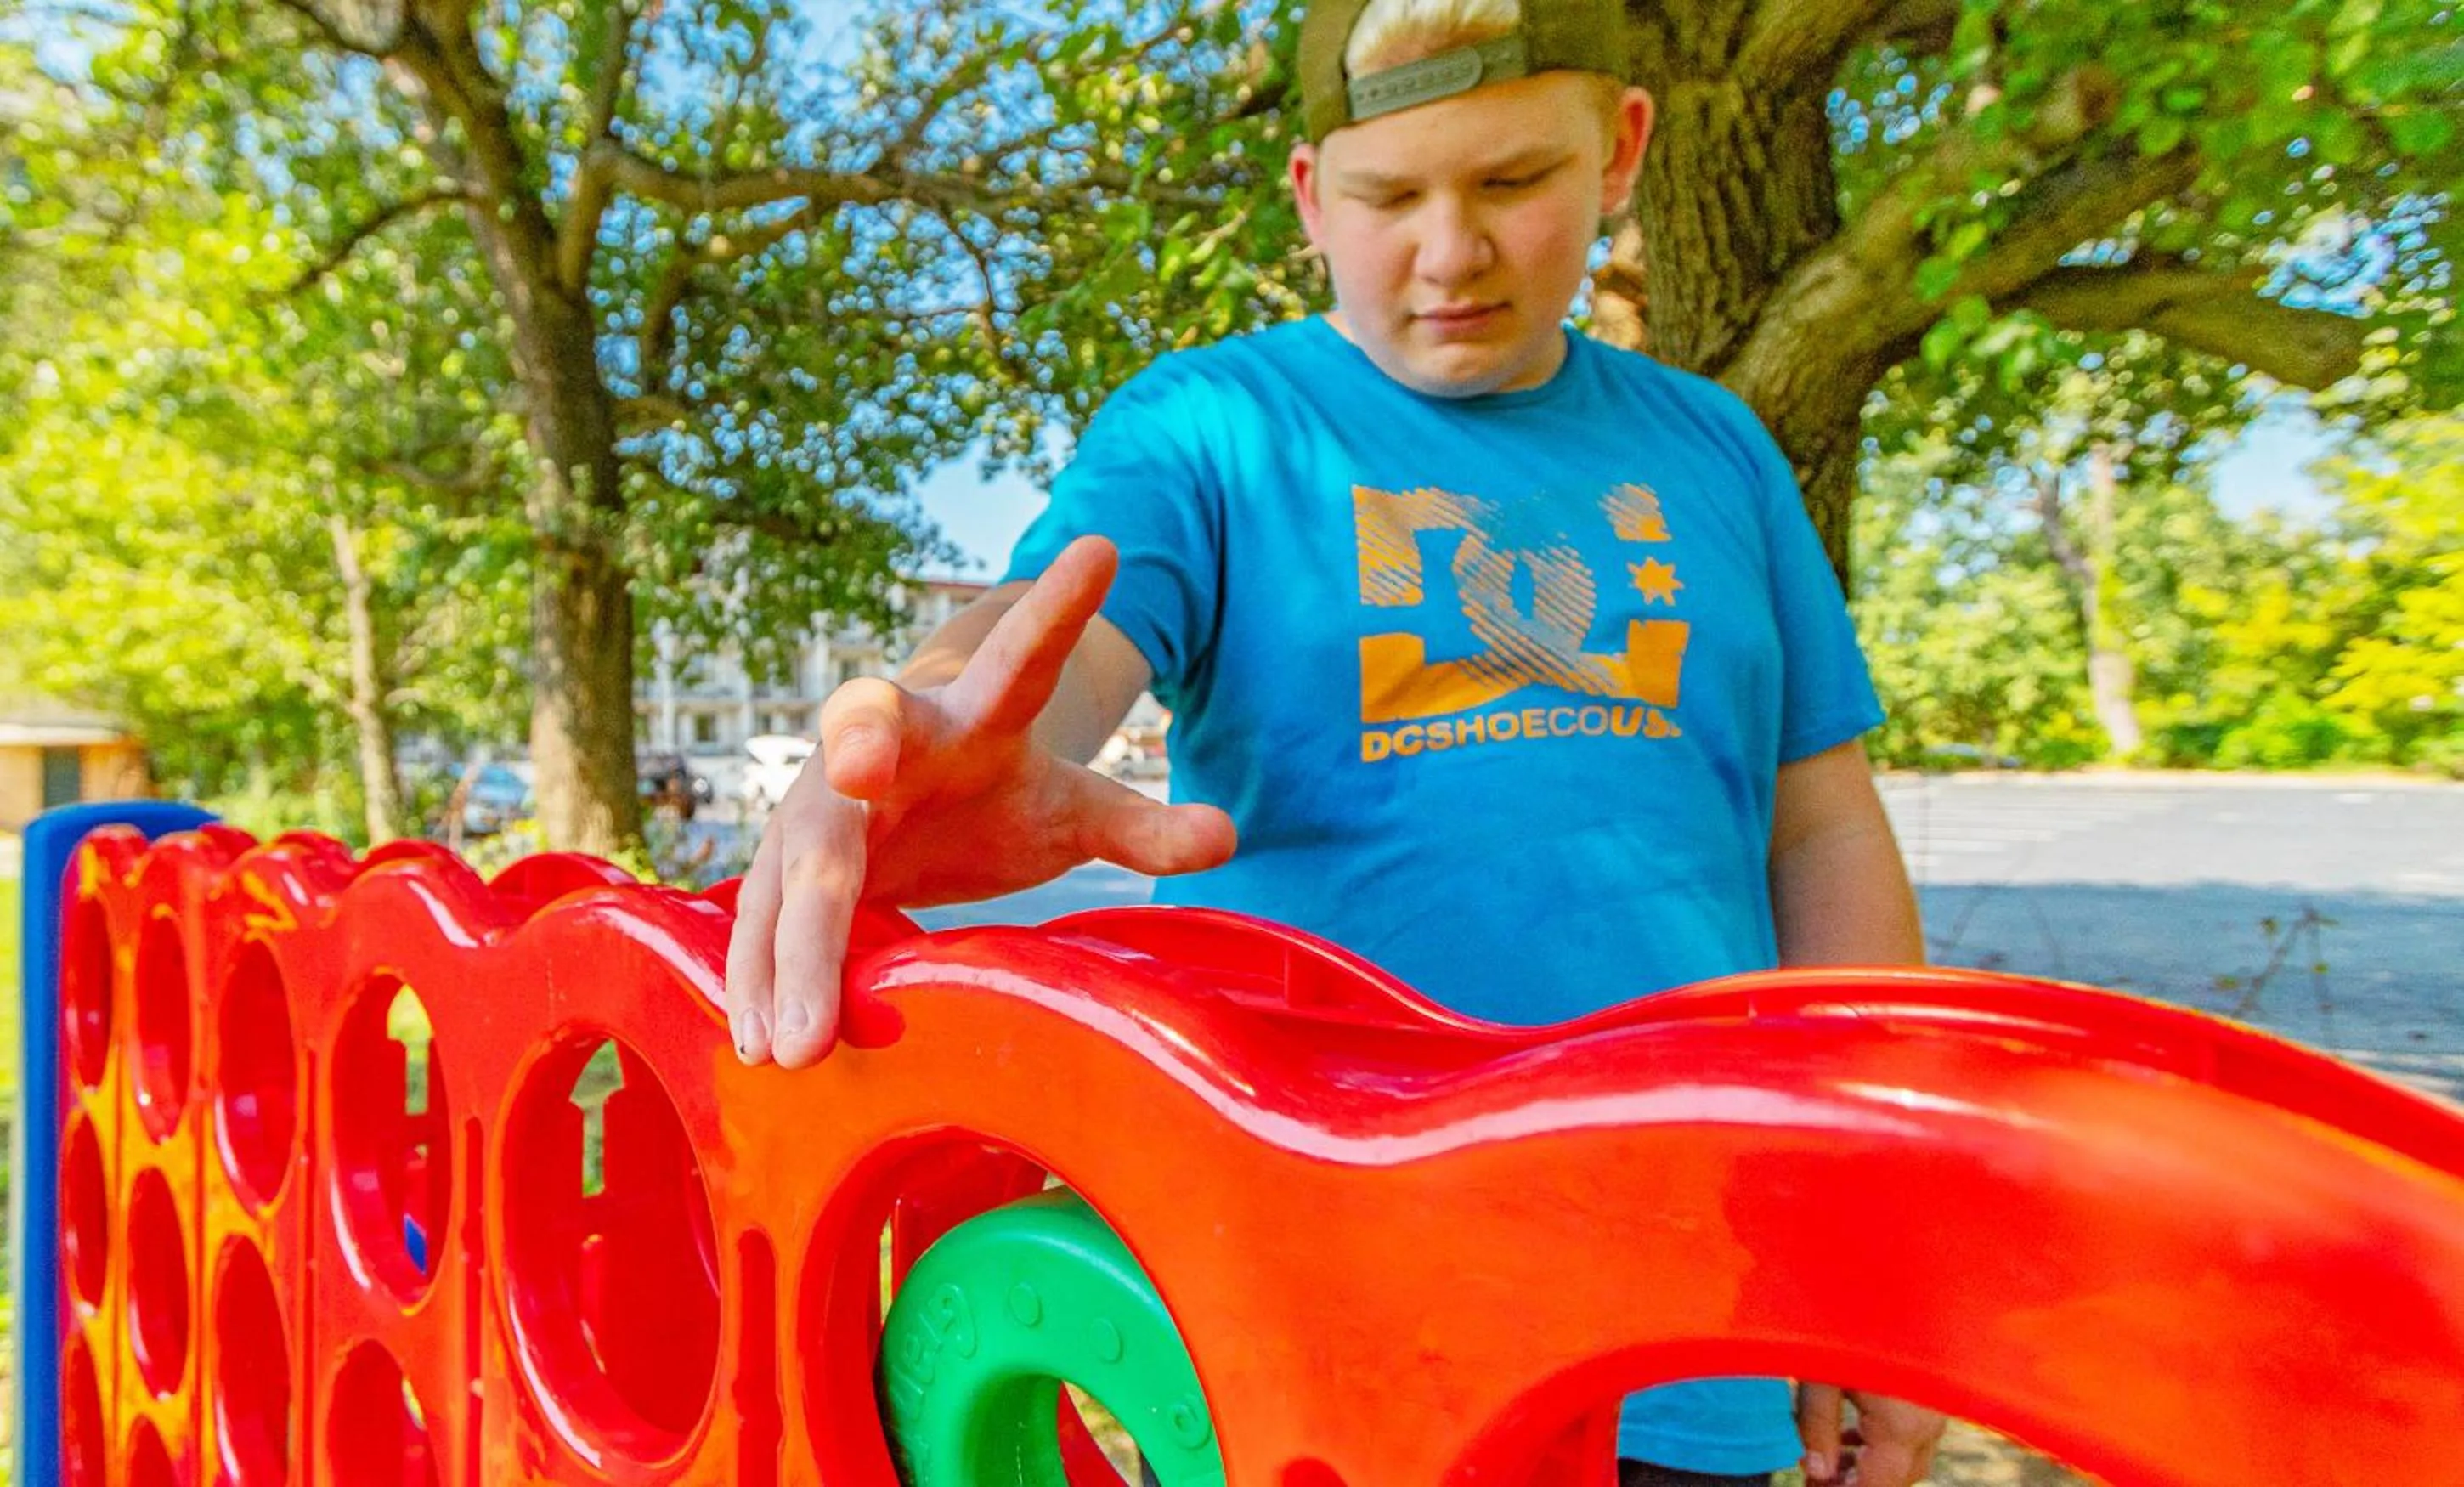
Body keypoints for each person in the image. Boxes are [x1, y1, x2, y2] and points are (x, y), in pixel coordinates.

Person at [724, 0, 1941, 1480]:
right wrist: (945, 721)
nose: (1450, 251)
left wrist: (1869, 1240)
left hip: (1690, 1315)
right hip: (1307, 1305)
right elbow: (1052, 637)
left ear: (1621, 150)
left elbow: (1818, 827)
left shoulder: (1723, 452)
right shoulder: (1215, 429)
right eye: (1388, 196)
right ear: (1309, 197)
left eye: (1510, 182)